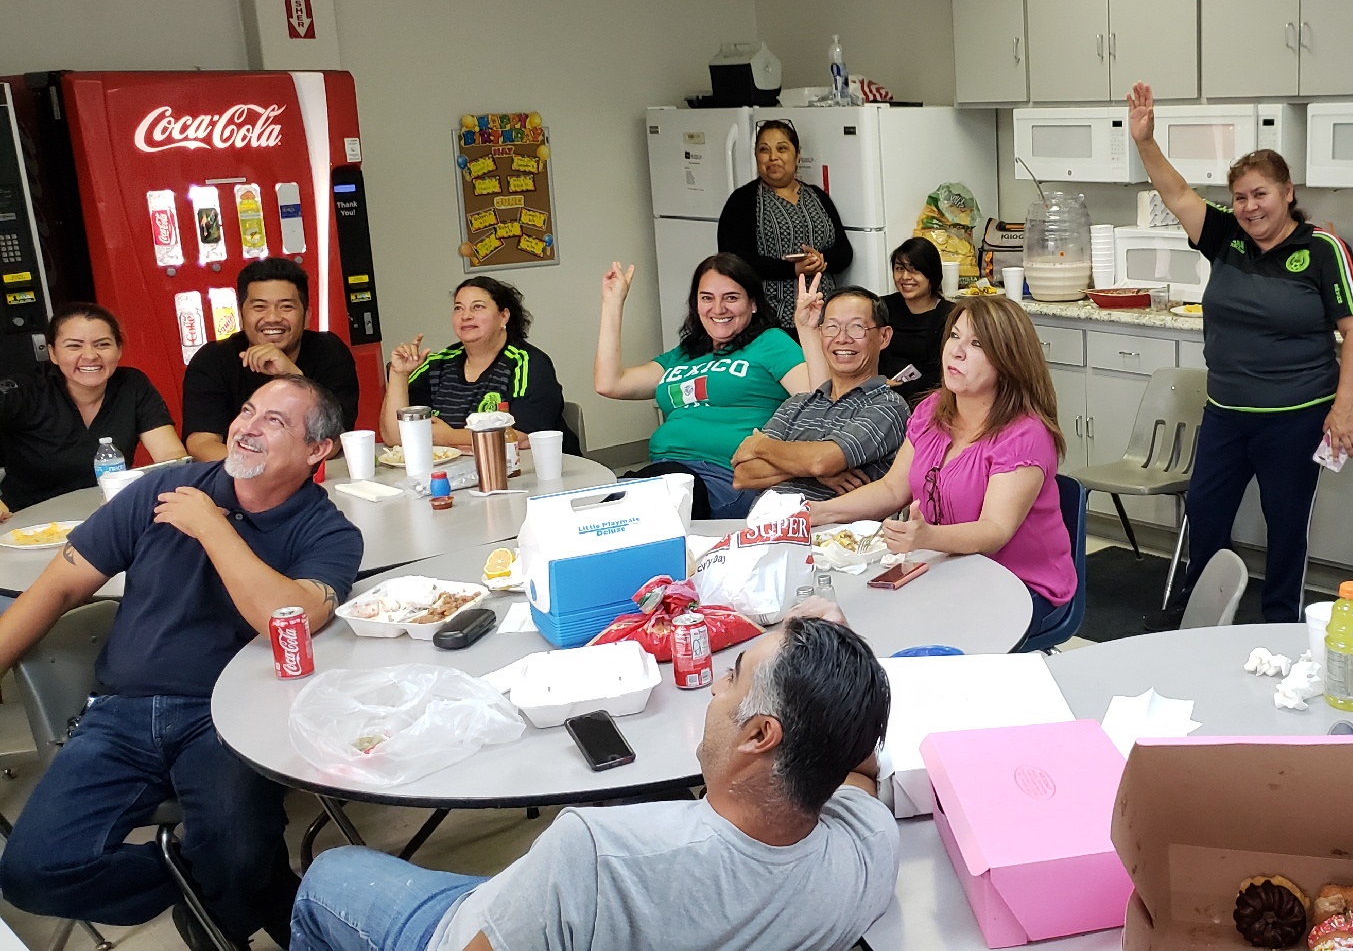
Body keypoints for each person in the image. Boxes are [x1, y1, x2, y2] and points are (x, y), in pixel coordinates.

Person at [288, 611, 896, 951]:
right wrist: (833, 685)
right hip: (541, 910)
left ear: (760, 736)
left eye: (732, 677)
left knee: (330, 876)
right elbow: (861, 769)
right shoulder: (868, 846)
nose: (715, 687)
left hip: (470, 927)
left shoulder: (596, 852)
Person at [0, 376, 361, 950]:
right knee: (33, 872)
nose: (246, 427)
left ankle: (232, 888)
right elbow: (59, 588)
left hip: (232, 718)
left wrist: (212, 526)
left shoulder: (329, 532)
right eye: (247, 410)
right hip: (119, 712)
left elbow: (284, 619)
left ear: (319, 450)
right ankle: (229, 893)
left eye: (275, 421)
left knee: (238, 850)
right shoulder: (160, 489)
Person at [1128, 82, 1353, 626]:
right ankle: (1202, 616)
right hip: (1227, 414)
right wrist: (1145, 141)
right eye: (1240, 197)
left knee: (1286, 526)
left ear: (1287, 192)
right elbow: (1176, 193)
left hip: (1295, 417)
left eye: (1260, 194)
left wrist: (1344, 407)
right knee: (1206, 514)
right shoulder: (1224, 237)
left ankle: (1283, 622)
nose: (1249, 206)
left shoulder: (1321, 251)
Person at [808, 297, 1076, 642]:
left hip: (1021, 584)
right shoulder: (933, 408)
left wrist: (927, 538)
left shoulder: (1025, 434)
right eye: (955, 337)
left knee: (909, 634)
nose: (957, 351)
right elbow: (892, 489)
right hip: (948, 568)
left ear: (1008, 360)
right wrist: (820, 512)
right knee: (854, 619)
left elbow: (995, 530)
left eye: (977, 344)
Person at [595, 254, 809, 518]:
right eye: (707, 298)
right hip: (665, 474)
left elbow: (819, 402)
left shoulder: (770, 343)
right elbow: (610, 384)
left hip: (724, 480)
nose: (718, 309)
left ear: (753, 303)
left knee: (627, 514)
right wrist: (613, 303)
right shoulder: (684, 354)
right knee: (603, 517)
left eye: (731, 297)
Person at [0, 304, 185, 518]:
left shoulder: (132, 385)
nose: (90, 355)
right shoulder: (25, 390)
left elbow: (172, 457)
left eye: (102, 344)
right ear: (52, 353)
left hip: (108, 519)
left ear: (119, 350)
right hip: (26, 526)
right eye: (74, 346)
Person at [731, 286, 909, 501]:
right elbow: (743, 475)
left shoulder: (888, 405)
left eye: (857, 327)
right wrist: (812, 469)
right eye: (831, 327)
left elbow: (821, 461)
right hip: (766, 526)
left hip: (834, 530)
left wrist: (759, 445)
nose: (842, 338)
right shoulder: (796, 404)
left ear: (884, 337)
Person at [182, 258, 361, 461]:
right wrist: (266, 468)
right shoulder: (212, 360)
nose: (273, 318)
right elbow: (201, 444)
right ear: (241, 316)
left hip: (313, 480)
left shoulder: (330, 352)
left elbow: (334, 441)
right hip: (236, 480)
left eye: (286, 307)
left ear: (307, 316)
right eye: (260, 307)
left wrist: (292, 377)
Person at [378, 277, 571, 452]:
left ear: (503, 316)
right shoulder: (437, 364)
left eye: (477, 307)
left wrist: (448, 436)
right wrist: (398, 374)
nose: (466, 316)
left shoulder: (528, 363)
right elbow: (395, 437)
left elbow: (520, 438)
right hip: (461, 476)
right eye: (458, 308)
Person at [717, 119, 853, 328]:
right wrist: (792, 269)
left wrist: (822, 259)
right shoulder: (742, 200)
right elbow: (733, 260)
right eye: (764, 150)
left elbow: (845, 252)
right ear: (756, 157)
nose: (773, 157)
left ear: (797, 155)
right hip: (770, 319)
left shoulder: (817, 196)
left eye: (782, 149)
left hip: (824, 316)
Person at [879, 237, 954, 402]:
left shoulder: (950, 315)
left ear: (931, 274)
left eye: (914, 270)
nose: (905, 277)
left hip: (928, 400)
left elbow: (944, 373)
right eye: (899, 268)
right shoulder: (881, 307)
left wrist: (899, 388)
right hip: (879, 396)